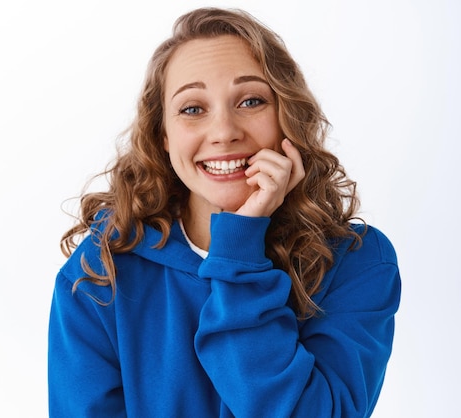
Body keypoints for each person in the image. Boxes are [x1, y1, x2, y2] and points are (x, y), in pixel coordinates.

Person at [48, 7, 401, 418]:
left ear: (287, 117)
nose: (224, 132)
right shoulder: (99, 270)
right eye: (193, 109)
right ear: (163, 135)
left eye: (251, 101)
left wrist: (239, 249)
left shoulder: (356, 262)